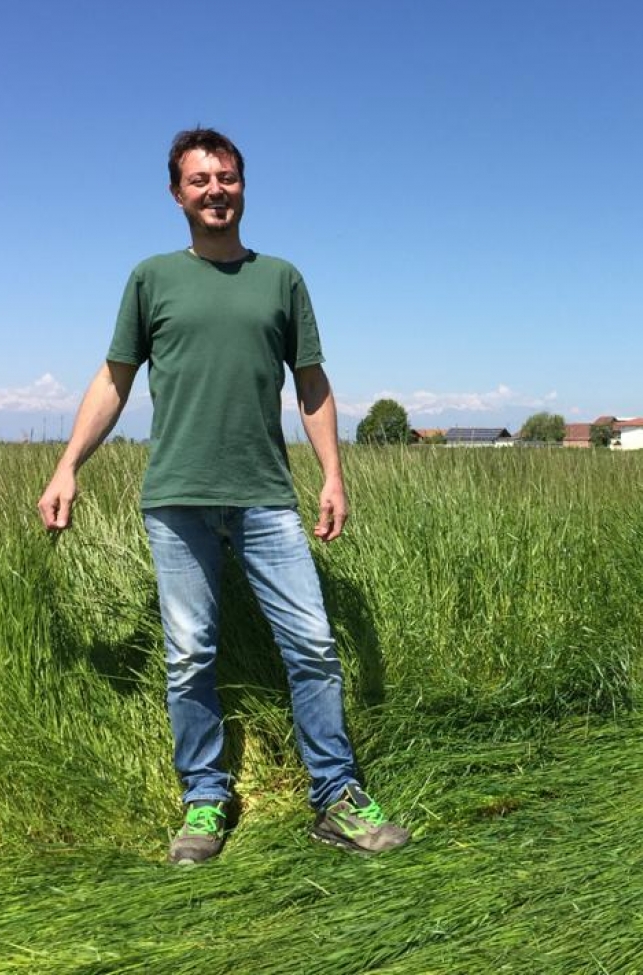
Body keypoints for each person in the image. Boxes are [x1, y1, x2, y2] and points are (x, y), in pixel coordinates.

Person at [37, 127, 408, 864]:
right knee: (189, 654)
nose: (216, 190)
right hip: (176, 495)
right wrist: (67, 464)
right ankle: (204, 802)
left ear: (243, 187)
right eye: (200, 180)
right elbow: (113, 379)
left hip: (265, 493)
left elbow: (311, 384)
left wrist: (333, 474)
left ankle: (335, 797)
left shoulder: (281, 279)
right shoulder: (151, 279)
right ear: (177, 194)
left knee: (310, 644)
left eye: (227, 177)